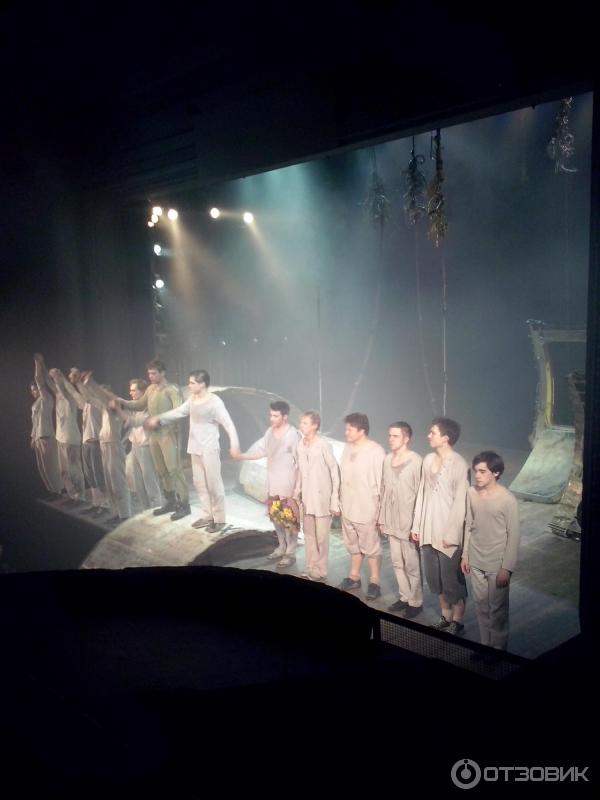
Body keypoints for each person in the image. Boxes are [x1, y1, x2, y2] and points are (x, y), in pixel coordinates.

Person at [147, 370, 239, 533]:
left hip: (209, 448)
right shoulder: (192, 399)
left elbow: (228, 423)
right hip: (195, 447)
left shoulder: (215, 402)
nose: (189, 385)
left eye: (192, 383)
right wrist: (159, 418)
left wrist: (234, 444)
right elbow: (179, 412)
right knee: (199, 483)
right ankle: (207, 515)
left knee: (214, 484)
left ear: (202, 384)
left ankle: (219, 519)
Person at [411, 417, 469, 635]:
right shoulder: (427, 460)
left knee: (451, 579)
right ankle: (445, 616)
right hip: (428, 529)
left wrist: (452, 534)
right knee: (434, 578)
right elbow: (422, 494)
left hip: (447, 532)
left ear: (445, 438)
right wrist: (417, 525)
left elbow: (461, 503)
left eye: (433, 432)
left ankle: (458, 620)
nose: (428, 436)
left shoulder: (459, 464)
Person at [114, 359, 189, 521]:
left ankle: (184, 504)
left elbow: (180, 412)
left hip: (169, 435)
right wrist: (123, 402)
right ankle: (170, 501)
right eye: (149, 373)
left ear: (163, 373)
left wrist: (160, 420)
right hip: (154, 436)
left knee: (174, 470)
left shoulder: (171, 389)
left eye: (154, 373)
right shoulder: (150, 389)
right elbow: (139, 405)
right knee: (161, 470)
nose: (151, 376)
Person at [461, 451, 520, 656]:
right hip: (476, 559)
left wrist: (507, 567)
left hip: (497, 562)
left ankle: (498, 648)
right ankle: (485, 645)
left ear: (495, 473)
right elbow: (469, 525)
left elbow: (514, 535)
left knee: (498, 608)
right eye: (476, 471)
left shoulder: (507, 500)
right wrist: (465, 555)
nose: (477, 475)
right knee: (481, 605)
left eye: (482, 471)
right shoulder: (471, 493)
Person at [234, 400, 301, 567]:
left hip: (287, 485)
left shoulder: (292, 435)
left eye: (275, 416)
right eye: (271, 415)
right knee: (276, 519)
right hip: (273, 484)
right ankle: (281, 547)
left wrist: (297, 487)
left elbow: (300, 461)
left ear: (285, 417)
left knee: (289, 521)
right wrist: (242, 456)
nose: (271, 418)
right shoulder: (270, 432)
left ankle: (290, 553)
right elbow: (262, 451)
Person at [338, 412, 386, 600]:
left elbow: (382, 483)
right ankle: (354, 577)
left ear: (362, 430)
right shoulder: (347, 448)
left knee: (371, 547)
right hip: (348, 506)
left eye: (350, 429)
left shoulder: (376, 451)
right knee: (353, 544)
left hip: (367, 507)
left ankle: (375, 582)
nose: (346, 433)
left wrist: (380, 512)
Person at [378, 422, 423, 617]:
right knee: (397, 561)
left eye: (395, 436)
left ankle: (416, 601)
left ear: (406, 438)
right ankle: (404, 596)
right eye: (390, 435)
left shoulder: (416, 461)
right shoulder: (387, 459)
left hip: (408, 521)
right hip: (391, 519)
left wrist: (418, 525)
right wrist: (382, 518)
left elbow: (421, 495)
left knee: (411, 563)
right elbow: (384, 490)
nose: (391, 439)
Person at [76, 372, 131, 524]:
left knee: (118, 482)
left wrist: (90, 382)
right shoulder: (104, 408)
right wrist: (80, 383)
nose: (101, 395)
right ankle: (116, 513)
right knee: (109, 482)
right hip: (104, 445)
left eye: (104, 392)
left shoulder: (115, 405)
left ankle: (124, 515)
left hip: (113, 445)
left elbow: (101, 395)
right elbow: (90, 398)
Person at [294, 410, 340, 582]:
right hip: (306, 498)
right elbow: (300, 470)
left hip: (322, 498)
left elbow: (334, 470)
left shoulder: (323, 445)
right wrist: (296, 491)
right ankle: (310, 566)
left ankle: (321, 570)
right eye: (301, 423)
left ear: (315, 425)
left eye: (305, 423)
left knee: (321, 537)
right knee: (309, 535)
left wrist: (335, 499)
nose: (302, 426)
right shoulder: (300, 445)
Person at [58, 366, 107, 514]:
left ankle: (105, 505)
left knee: (98, 474)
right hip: (86, 442)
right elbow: (73, 393)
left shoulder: (99, 402)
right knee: (90, 475)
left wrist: (79, 381)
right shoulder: (86, 404)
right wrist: (62, 379)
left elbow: (88, 395)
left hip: (96, 442)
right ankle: (96, 503)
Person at [119, 378, 162, 512]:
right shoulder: (133, 406)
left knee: (150, 481)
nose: (130, 393)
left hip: (146, 447)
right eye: (130, 390)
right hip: (135, 447)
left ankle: (157, 508)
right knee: (137, 482)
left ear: (142, 391)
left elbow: (136, 422)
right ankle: (146, 510)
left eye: (134, 390)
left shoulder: (149, 407)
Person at [47, 362, 85, 502]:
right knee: (64, 471)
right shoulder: (58, 396)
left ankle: (80, 495)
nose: (57, 388)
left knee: (74, 469)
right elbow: (50, 384)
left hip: (71, 438)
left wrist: (59, 376)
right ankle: (72, 494)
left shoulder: (71, 398)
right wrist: (43, 367)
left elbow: (63, 389)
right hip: (61, 438)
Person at [30, 354, 62, 496]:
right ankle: (51, 491)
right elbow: (35, 422)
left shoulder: (46, 399)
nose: (34, 391)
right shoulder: (34, 405)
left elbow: (39, 380)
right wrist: (32, 437)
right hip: (38, 438)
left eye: (35, 389)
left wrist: (38, 364)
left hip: (47, 436)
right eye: (32, 390)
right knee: (42, 468)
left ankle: (58, 490)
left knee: (52, 466)